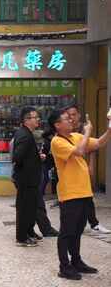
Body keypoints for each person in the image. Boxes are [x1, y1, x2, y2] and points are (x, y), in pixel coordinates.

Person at [49, 109, 111, 280]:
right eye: (66, 119)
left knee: (77, 230)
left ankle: (76, 261)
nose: (70, 120)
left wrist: (109, 128)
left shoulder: (76, 136)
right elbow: (79, 151)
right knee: (67, 232)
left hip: (84, 192)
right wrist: (88, 131)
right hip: (70, 194)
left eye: (71, 118)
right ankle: (64, 266)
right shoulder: (57, 141)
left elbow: (98, 143)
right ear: (57, 125)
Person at [64, 104, 110, 234]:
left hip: (82, 166)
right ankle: (80, 223)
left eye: (73, 115)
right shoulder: (65, 132)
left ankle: (93, 223)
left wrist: (91, 165)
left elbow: (93, 147)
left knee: (87, 196)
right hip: (70, 169)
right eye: (68, 116)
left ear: (79, 115)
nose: (71, 118)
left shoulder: (84, 129)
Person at [12, 107, 44, 247]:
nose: (38, 120)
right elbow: (18, 157)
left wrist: (37, 157)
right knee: (24, 208)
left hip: (30, 178)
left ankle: (29, 232)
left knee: (31, 207)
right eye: (35, 117)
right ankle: (22, 237)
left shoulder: (26, 133)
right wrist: (31, 162)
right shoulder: (24, 135)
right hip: (26, 179)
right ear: (26, 120)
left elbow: (27, 155)